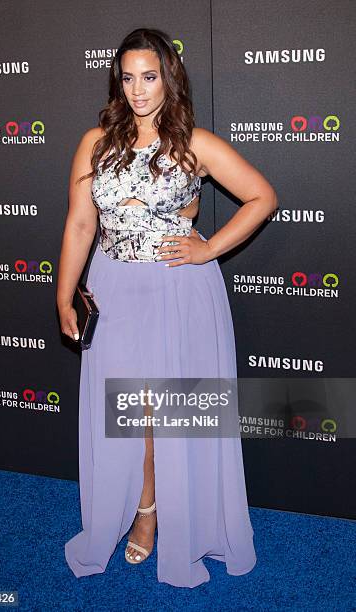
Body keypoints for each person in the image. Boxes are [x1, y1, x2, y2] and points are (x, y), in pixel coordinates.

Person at [57, 27, 277, 589]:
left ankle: (153, 514)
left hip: (176, 290)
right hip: (113, 288)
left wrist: (208, 247)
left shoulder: (194, 144)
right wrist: (64, 291)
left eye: (149, 77)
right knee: (128, 413)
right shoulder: (95, 143)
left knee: (163, 413)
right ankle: (140, 508)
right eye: (127, 78)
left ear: (168, 78)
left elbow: (261, 196)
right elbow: (82, 222)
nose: (138, 90)